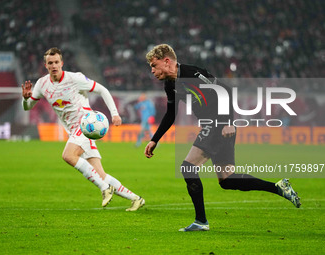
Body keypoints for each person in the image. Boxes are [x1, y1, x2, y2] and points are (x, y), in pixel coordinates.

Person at [144, 44, 301, 231]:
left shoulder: (192, 74)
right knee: (227, 180)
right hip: (214, 125)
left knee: (188, 167)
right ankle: (278, 187)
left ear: (167, 61)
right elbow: (171, 113)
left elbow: (225, 90)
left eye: (154, 65)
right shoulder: (170, 84)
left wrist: (228, 121)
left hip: (218, 123)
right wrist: (155, 139)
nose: (152, 71)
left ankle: (201, 222)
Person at [21, 47, 145, 211]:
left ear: (62, 63)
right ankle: (136, 199)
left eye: (56, 62)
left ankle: (104, 188)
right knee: (100, 174)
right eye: (50, 63)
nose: (54, 65)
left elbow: (103, 90)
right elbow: (28, 107)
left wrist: (115, 114)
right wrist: (25, 99)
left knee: (68, 155)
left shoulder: (75, 79)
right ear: (45, 65)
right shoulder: (42, 84)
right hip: (73, 131)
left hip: (86, 125)